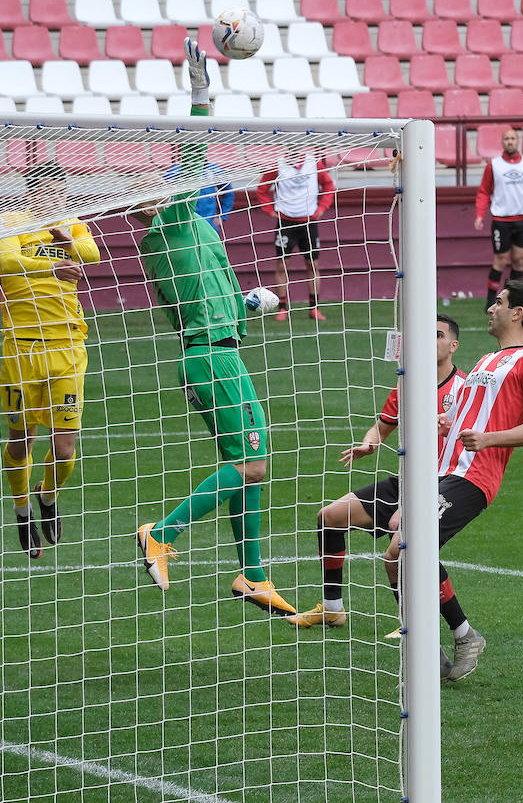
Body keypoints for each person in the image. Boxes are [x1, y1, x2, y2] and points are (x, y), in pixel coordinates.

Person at [132, 39, 295, 617]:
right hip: (212, 358)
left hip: (217, 350)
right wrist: (201, 95)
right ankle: (163, 535)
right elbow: (191, 156)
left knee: (254, 462)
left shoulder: (193, 233)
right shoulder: (171, 225)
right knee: (249, 463)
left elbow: (210, 297)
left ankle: (252, 575)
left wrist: (249, 301)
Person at [385, 281, 523, 681]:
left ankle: (448, 641)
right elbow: (465, 416)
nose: (490, 309)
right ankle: (448, 643)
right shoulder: (483, 361)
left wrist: (489, 439)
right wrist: (448, 423)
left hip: (473, 475)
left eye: (499, 302)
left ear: (518, 314)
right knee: (396, 549)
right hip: (443, 470)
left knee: (406, 548)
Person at [287, 315, 466, 630]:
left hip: (440, 485)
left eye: (437, 335)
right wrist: (369, 444)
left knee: (399, 553)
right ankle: (332, 609)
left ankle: (414, 627)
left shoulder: (465, 389)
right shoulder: (406, 383)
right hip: (404, 482)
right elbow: (381, 428)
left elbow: (479, 436)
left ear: (453, 345)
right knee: (329, 517)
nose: (430, 341)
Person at [0, 162, 100, 559]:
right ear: (31, 194)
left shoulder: (72, 225)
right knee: (21, 442)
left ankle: (48, 496)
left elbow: (92, 255)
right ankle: (21, 512)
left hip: (68, 348)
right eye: (45, 193)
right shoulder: (11, 222)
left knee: (66, 448)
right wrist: (55, 264)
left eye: (58, 193)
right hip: (21, 348)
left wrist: (66, 239)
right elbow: (8, 262)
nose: (53, 199)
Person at [473, 128, 523, 309]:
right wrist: (480, 214)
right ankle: (491, 300)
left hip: (522, 219)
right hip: (501, 220)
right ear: (502, 142)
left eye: (513, 138)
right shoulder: (494, 165)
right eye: (506, 139)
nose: (510, 141)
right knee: (500, 259)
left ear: (518, 141)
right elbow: (484, 192)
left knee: (519, 259)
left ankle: (514, 298)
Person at [255, 146, 336, 321]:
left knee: (312, 265)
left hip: (309, 222)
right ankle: (282, 307)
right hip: (285, 222)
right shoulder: (277, 164)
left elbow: (328, 185)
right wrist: (270, 210)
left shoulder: (313, 163)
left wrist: (322, 207)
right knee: (282, 265)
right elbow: (262, 189)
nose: (294, 148)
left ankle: (314, 308)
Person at [164, 160, 236, 235]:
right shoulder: (175, 171)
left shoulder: (214, 170)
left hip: (208, 224)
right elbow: (162, 193)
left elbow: (228, 193)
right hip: (184, 225)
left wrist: (222, 215)